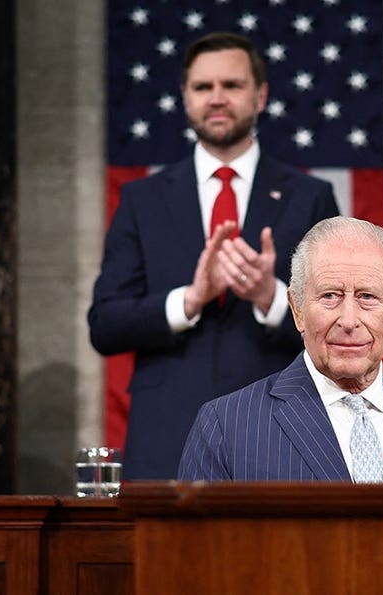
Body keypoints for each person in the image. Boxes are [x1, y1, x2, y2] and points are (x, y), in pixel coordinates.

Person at [88, 32, 340, 480]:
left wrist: (271, 297)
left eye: (232, 85)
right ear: (185, 98)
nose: (217, 98)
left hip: (282, 430)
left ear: (260, 96)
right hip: (167, 434)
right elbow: (105, 324)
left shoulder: (310, 197)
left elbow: (339, 319)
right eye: (203, 87)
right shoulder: (142, 200)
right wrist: (189, 299)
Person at [178, 217, 383, 482]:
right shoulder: (227, 426)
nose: (348, 320)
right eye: (330, 295)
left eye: (367, 297)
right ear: (297, 310)